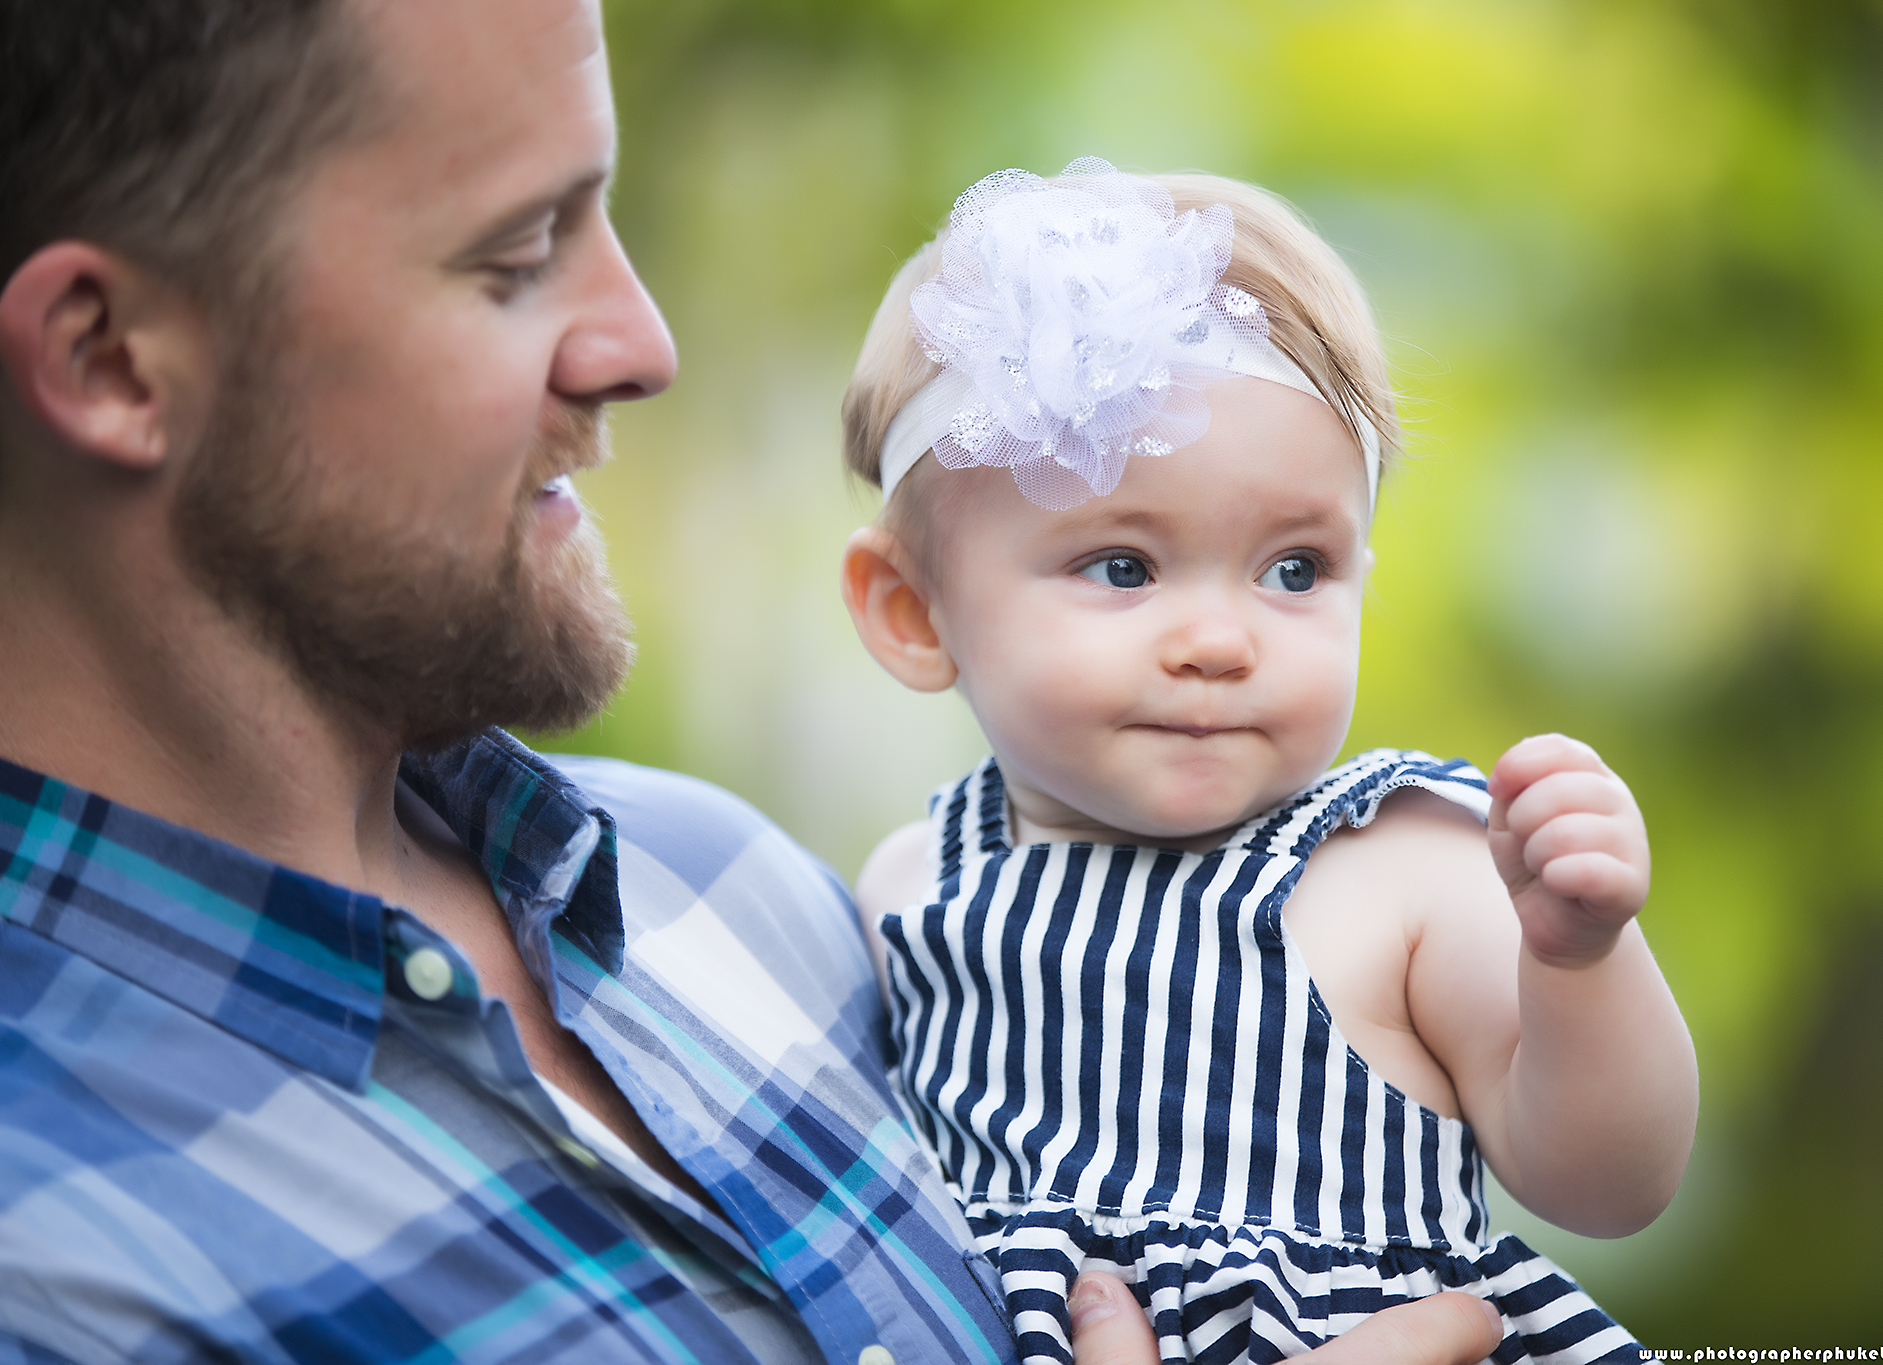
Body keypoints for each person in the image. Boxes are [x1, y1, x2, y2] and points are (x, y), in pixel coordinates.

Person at [0, 3, 1503, 1363]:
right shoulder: (52, 1276)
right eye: (515, 260)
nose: (641, 343)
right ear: (116, 359)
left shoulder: (739, 890)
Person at [838, 160, 1700, 1364]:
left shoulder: (1400, 866)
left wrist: (1580, 959)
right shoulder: (910, 887)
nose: (1217, 641)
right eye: (1123, 566)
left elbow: (1612, 1185)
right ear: (915, 611)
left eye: (1293, 569)